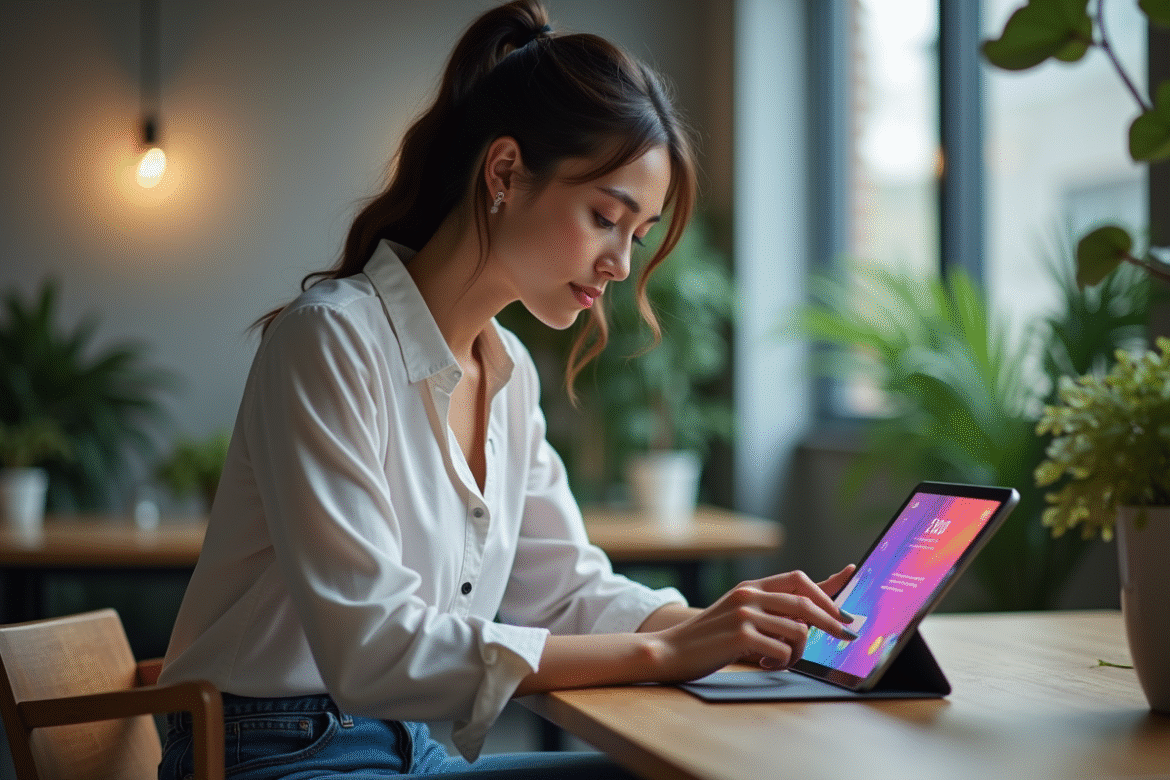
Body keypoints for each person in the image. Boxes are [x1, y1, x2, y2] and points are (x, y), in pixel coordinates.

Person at [157, 2, 857, 778]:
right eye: (605, 217)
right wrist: (669, 648)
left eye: (638, 235)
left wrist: (728, 626)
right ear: (503, 172)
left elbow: (565, 591)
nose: (621, 264)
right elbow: (372, 649)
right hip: (273, 754)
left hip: (407, 746)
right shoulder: (330, 341)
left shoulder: (510, 373)